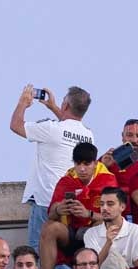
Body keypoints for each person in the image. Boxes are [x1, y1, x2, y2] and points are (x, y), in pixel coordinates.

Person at [10, 85, 94, 250]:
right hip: (73, 201)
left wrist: (23, 103)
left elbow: (16, 125)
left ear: (66, 106)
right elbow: (70, 125)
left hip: (46, 201)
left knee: (38, 252)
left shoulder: (51, 128)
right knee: (64, 253)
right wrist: (53, 107)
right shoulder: (88, 135)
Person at [38, 142, 117, 269]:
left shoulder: (107, 180)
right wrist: (58, 209)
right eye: (78, 163)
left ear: (95, 164)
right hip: (71, 233)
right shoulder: (66, 180)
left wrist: (89, 214)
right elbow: (51, 215)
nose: (82, 169)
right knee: (49, 227)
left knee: (101, 224)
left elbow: (114, 216)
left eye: (86, 164)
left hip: (93, 230)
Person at [82, 187, 138, 269]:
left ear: (122, 207)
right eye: (102, 204)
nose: (104, 208)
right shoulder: (91, 233)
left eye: (110, 204)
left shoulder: (137, 231)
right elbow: (92, 268)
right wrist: (108, 243)